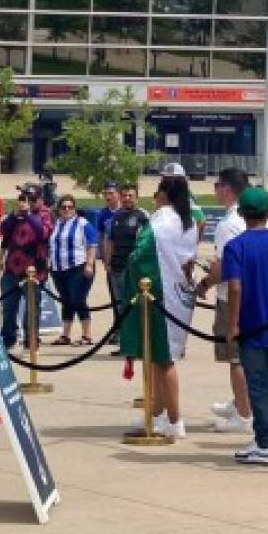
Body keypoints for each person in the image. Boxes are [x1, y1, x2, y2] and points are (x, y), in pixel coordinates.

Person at [119, 174, 200, 439]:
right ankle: (157, 412)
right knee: (158, 356)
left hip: (160, 293)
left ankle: (175, 419)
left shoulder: (161, 221)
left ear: (163, 194)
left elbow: (140, 254)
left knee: (164, 359)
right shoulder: (188, 221)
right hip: (178, 294)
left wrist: (131, 277)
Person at [224, 187, 268, 464]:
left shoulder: (235, 247)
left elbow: (235, 287)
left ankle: (264, 441)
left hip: (252, 323)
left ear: (242, 214)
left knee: (257, 382)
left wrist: (233, 324)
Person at [196, 167, 253, 433]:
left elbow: (224, 266)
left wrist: (204, 283)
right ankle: (241, 401)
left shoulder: (228, 224)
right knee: (246, 355)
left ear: (227, 189)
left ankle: (243, 415)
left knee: (235, 357)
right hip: (250, 292)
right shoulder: (250, 216)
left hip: (231, 295)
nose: (215, 190)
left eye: (217, 185)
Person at [0, 192, 48, 350]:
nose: (27, 202)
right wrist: (14, 215)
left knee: (32, 308)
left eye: (32, 200)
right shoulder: (14, 217)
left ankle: (31, 341)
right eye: (23, 200)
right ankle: (9, 339)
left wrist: (28, 215)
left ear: (40, 200)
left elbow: (43, 234)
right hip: (11, 269)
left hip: (34, 270)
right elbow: (3, 231)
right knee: (9, 307)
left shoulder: (44, 215)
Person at [48, 194, 99, 346]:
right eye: (63, 207)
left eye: (70, 207)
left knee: (78, 300)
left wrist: (89, 264)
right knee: (66, 301)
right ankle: (65, 335)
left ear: (75, 209)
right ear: (59, 209)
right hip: (58, 269)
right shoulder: (57, 224)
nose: (67, 210)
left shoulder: (82, 223)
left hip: (78, 267)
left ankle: (86, 335)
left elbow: (92, 244)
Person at [106, 182, 149, 356]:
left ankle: (137, 345)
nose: (127, 198)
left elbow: (146, 244)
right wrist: (108, 262)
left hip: (132, 270)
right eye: (124, 195)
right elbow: (110, 240)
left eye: (131, 195)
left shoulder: (142, 217)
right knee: (120, 308)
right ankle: (125, 344)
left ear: (137, 197)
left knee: (132, 308)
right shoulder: (116, 217)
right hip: (116, 268)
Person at [162, 162, 206, 237]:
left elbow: (201, 220)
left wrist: (194, 239)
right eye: (165, 179)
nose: (166, 182)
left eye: (170, 179)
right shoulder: (163, 196)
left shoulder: (186, 199)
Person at [96, 182, 122, 279]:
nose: (107, 197)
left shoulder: (126, 211)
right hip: (111, 259)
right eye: (105, 194)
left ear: (118, 194)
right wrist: (104, 258)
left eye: (111, 193)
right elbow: (101, 236)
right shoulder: (102, 213)